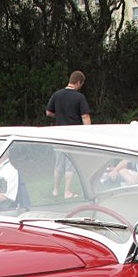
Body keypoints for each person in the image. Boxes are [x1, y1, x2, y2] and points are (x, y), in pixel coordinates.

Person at [45, 70, 91, 198]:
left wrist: (59, 115)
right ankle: (67, 192)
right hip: (73, 135)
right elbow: (85, 116)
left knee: (59, 163)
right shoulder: (79, 97)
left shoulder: (57, 94)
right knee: (70, 164)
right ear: (78, 82)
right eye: (81, 84)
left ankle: (55, 190)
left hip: (59, 135)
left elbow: (48, 112)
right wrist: (89, 133)